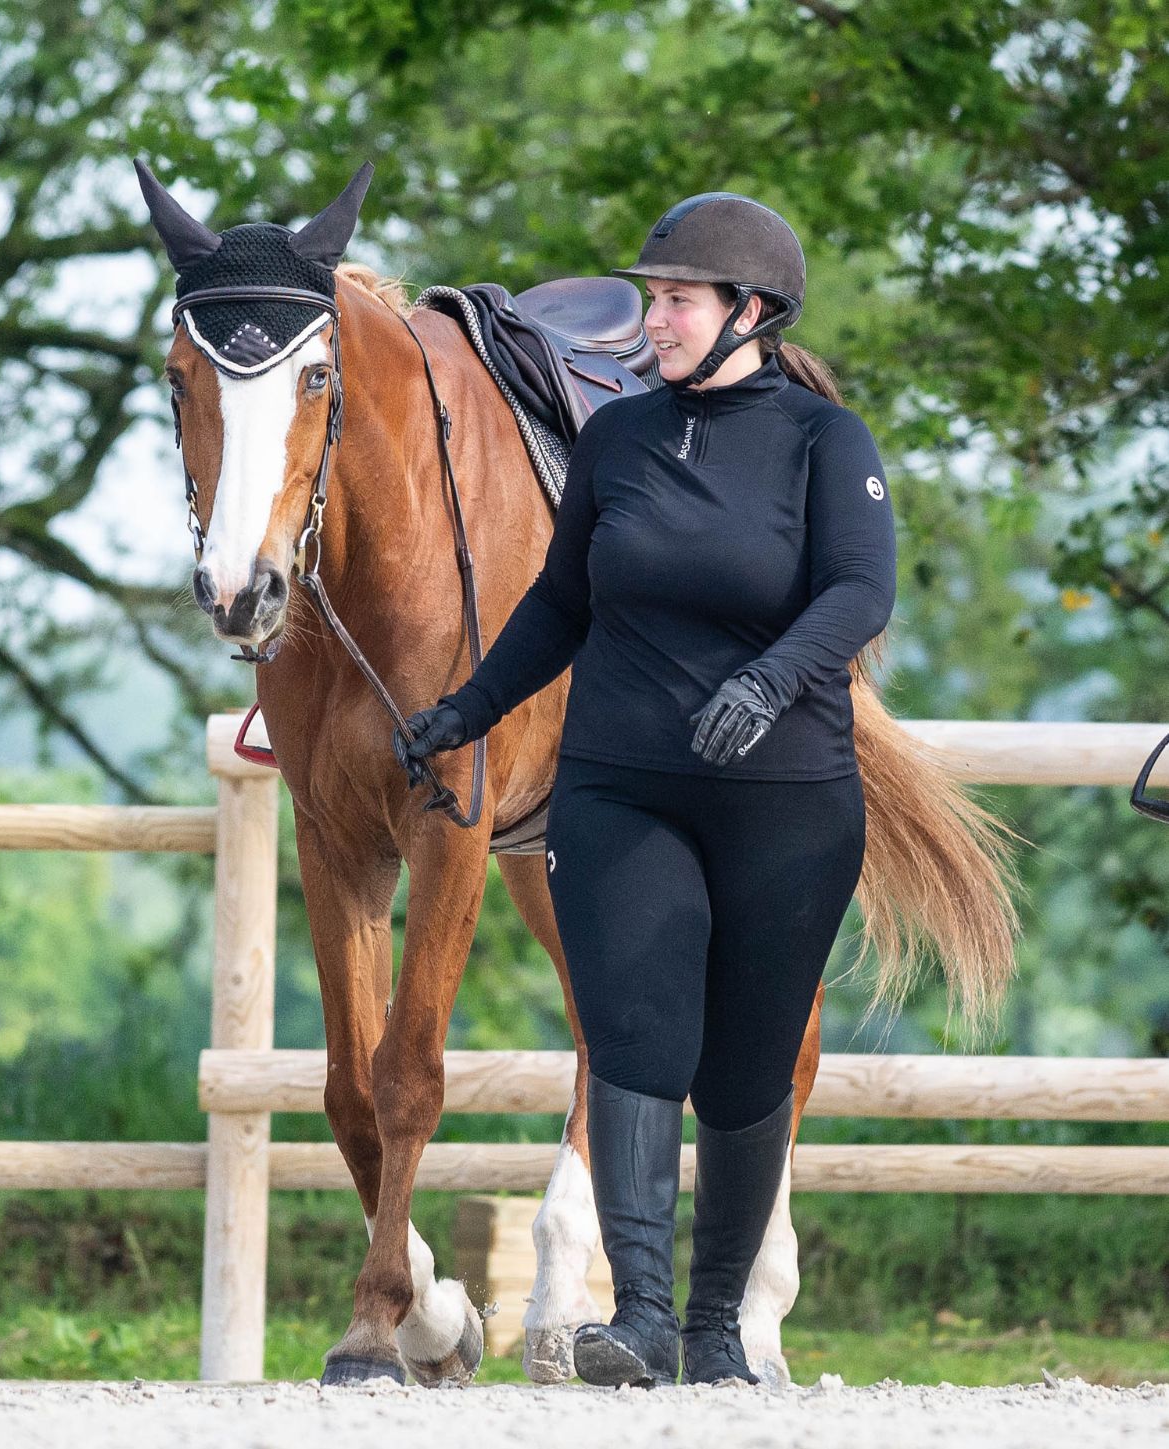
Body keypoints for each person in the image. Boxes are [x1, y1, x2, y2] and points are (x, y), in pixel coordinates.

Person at [393, 192, 897, 1387]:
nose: (651, 319)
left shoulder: (827, 444)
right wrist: (467, 708)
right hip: (619, 787)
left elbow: (856, 594)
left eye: (675, 301)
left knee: (743, 1059)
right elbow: (562, 603)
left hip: (783, 794)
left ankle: (721, 1326)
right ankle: (644, 1319)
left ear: (749, 312)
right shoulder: (617, 442)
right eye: (655, 298)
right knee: (631, 1035)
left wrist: (771, 682)